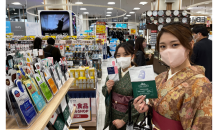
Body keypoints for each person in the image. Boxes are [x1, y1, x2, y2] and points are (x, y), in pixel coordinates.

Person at [133, 22, 213, 130]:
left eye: (175, 45)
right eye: (162, 46)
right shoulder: (159, 78)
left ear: (190, 45)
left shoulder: (201, 86)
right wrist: (147, 108)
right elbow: (157, 109)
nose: (168, 51)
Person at [102, 43, 144, 130]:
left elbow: (140, 102)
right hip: (113, 114)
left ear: (132, 56)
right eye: (118, 55)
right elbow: (104, 90)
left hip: (128, 117)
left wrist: (123, 120)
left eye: (125, 55)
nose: (121, 58)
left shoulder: (138, 75)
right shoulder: (114, 72)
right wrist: (108, 89)